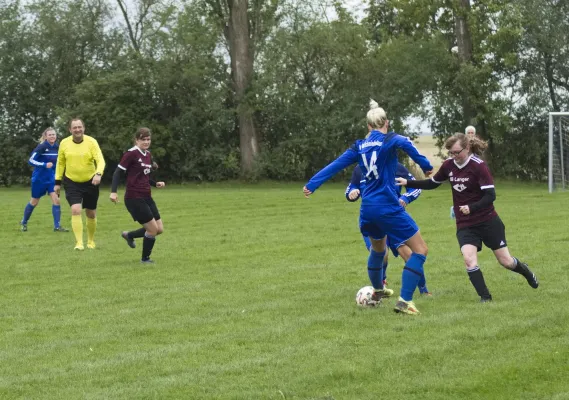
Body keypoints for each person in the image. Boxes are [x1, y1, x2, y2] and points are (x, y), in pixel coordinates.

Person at [303, 100, 433, 315]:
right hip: (388, 206)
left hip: (368, 209)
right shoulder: (392, 139)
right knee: (420, 250)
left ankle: (379, 290)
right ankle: (405, 301)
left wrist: (312, 184)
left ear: (368, 126)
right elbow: (409, 147)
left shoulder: (358, 146)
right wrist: (427, 167)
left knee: (378, 249)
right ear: (387, 123)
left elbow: (336, 164)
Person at [396, 132, 539, 302]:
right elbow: (433, 183)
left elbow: (490, 196)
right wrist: (409, 183)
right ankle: (485, 298)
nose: (454, 156)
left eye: (457, 152)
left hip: (488, 220)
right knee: (469, 260)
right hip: (465, 224)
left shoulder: (479, 166)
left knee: (506, 261)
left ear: (467, 148)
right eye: (451, 153)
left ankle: (527, 272)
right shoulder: (449, 165)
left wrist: (471, 207)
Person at [346, 164, 431, 295]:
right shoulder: (360, 168)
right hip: (372, 219)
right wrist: (352, 192)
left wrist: (405, 197)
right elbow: (351, 187)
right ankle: (381, 286)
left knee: (408, 254)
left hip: (393, 218)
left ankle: (424, 290)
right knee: (382, 254)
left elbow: (415, 188)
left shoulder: (397, 167)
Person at [110, 128, 165, 264]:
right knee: (152, 230)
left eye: (148, 139)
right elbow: (118, 172)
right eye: (143, 139)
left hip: (147, 196)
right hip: (134, 197)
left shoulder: (148, 154)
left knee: (159, 229)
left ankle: (129, 235)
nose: (146, 142)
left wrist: (155, 183)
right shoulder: (131, 154)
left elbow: (143, 176)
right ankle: (145, 259)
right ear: (136, 140)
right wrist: (113, 191)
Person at [54, 119, 106, 250]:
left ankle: (90, 241)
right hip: (71, 182)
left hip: (90, 181)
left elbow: (100, 160)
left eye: (79, 127)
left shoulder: (91, 142)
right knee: (75, 210)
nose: (77, 130)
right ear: (70, 130)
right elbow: (60, 163)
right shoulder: (64, 143)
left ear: (84, 128)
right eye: (74, 128)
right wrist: (57, 182)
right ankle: (79, 243)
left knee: (91, 213)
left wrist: (98, 174)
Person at [20, 128, 69, 232]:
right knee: (34, 202)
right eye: (50, 135)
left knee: (57, 200)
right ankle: (24, 222)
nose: (52, 136)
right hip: (39, 179)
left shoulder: (57, 147)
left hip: (52, 179)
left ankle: (57, 226)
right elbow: (31, 160)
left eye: (54, 134)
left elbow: (60, 162)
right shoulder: (42, 147)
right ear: (46, 136)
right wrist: (44, 164)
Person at [450, 125, 477, 219]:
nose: (470, 135)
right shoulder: (461, 144)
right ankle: (456, 210)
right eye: (468, 133)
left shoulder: (477, 146)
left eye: (472, 133)